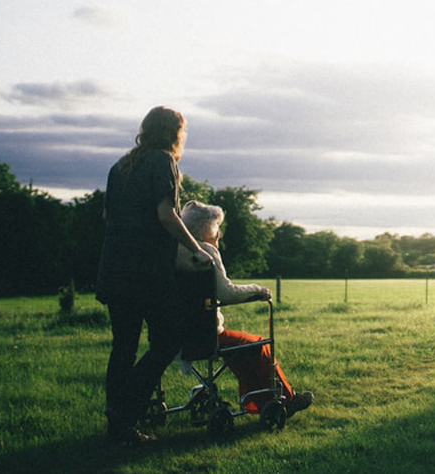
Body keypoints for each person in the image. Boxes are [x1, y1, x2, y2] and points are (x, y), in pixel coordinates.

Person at [96, 106, 212, 444]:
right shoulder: (164, 162)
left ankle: (118, 425)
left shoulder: (121, 166)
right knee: (168, 341)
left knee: (124, 348)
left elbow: (108, 215)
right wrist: (196, 248)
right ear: (175, 132)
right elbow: (167, 215)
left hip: (114, 269)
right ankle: (125, 412)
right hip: (146, 273)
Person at [175, 201, 314, 416]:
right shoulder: (206, 252)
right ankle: (286, 399)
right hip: (205, 335)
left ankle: (258, 402)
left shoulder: (175, 251)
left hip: (176, 335)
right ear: (204, 228)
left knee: (241, 347)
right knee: (257, 344)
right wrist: (258, 290)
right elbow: (227, 293)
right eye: (216, 226)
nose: (219, 233)